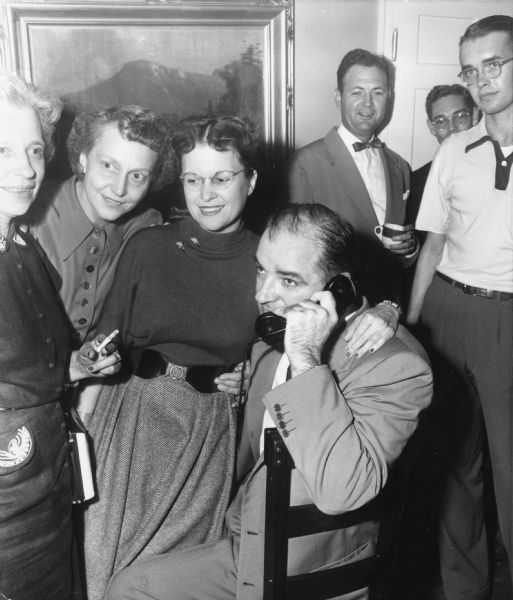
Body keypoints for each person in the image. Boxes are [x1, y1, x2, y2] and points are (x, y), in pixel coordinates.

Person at [106, 203, 433, 600]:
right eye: (261, 269)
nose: (263, 294)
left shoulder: (394, 365)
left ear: (339, 288)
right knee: (130, 586)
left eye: (289, 280)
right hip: (246, 542)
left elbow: (342, 491)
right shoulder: (269, 345)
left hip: (312, 570)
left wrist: (307, 360)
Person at [80, 115, 261, 600]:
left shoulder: (268, 260)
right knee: (98, 571)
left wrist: (253, 375)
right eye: (193, 179)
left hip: (206, 436)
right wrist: (79, 440)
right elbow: (104, 343)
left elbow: (288, 351)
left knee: (168, 582)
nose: (205, 194)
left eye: (221, 178)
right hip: (128, 424)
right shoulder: (149, 246)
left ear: (251, 180)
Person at [0, 72, 120, 600]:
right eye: (1, 149)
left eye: (33, 149)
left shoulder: (21, 250)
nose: (26, 170)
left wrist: (73, 368)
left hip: (48, 491)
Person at [407, 15, 513, 600]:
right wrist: (416, 327)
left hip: (507, 320)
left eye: (494, 64)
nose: (480, 81)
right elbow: (432, 245)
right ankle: (464, 589)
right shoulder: (453, 148)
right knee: (455, 467)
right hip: (447, 311)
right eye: (470, 70)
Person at [24, 104, 175, 345]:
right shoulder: (29, 217)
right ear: (83, 158)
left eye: (137, 176)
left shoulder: (145, 228)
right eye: (108, 166)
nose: (119, 189)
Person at [288, 48, 417, 321]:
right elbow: (295, 256)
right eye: (357, 92)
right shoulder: (306, 163)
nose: (368, 104)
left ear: (389, 98)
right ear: (339, 98)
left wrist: (410, 249)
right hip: (334, 313)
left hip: (389, 311)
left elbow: (404, 256)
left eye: (378, 92)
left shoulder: (400, 167)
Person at [407, 84, 477, 227]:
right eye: (440, 121)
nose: (452, 128)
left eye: (460, 117)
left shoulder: (499, 170)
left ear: (474, 117)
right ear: (432, 128)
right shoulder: (416, 183)